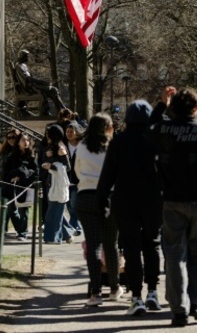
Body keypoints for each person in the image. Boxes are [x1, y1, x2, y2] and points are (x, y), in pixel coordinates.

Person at [149, 87, 197, 327]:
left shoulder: (163, 129)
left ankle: (179, 308)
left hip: (171, 200)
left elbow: (149, 127)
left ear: (173, 109)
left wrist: (162, 104)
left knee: (174, 255)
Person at [97, 100, 163, 316]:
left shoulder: (119, 141)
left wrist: (102, 199)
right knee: (152, 245)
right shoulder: (156, 140)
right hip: (153, 201)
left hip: (125, 201)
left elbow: (108, 174)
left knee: (131, 248)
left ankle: (136, 296)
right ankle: (153, 291)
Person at [74, 113, 121, 307]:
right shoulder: (112, 147)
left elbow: (76, 171)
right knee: (111, 244)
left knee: (93, 244)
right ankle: (114, 287)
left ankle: (96, 291)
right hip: (109, 196)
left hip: (86, 195)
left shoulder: (82, 146)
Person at [0, 132, 37, 241]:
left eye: (27, 140)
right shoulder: (12, 156)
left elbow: (35, 171)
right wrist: (15, 175)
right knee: (11, 209)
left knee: (24, 210)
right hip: (11, 186)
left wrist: (22, 174)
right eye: (23, 140)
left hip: (25, 186)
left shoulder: (31, 155)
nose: (25, 142)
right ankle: (20, 229)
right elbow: (8, 171)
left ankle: (22, 233)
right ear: (18, 142)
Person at [41, 125, 74, 244]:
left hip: (58, 183)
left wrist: (52, 166)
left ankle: (53, 237)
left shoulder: (60, 148)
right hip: (49, 181)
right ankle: (68, 233)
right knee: (55, 209)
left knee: (54, 210)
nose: (47, 136)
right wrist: (47, 157)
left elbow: (67, 167)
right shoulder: (50, 147)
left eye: (49, 134)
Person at [15, 49, 66, 116]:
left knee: (54, 91)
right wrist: (41, 82)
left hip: (33, 85)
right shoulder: (19, 66)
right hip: (29, 88)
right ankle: (61, 111)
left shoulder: (24, 65)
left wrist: (42, 82)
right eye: (26, 56)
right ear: (22, 57)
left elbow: (31, 78)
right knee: (53, 90)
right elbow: (28, 79)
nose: (28, 58)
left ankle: (62, 112)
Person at [64, 121, 83, 236]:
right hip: (65, 180)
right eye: (67, 132)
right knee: (69, 205)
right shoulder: (63, 145)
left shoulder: (82, 146)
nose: (69, 134)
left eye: (71, 132)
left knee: (74, 205)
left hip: (78, 180)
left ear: (77, 132)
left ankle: (75, 226)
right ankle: (75, 225)